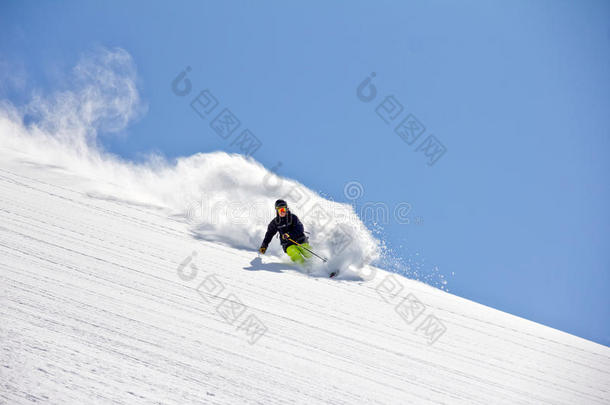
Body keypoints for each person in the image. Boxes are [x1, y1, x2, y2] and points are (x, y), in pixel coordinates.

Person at [258, 199, 313, 264]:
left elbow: (300, 228)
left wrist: (289, 234)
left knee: (306, 250)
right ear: (277, 211)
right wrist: (264, 245)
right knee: (293, 253)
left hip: (300, 240)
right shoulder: (275, 222)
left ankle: (316, 264)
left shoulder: (293, 217)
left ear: (287, 209)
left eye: (283, 209)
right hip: (288, 244)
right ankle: (305, 267)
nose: (282, 212)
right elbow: (269, 234)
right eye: (280, 210)